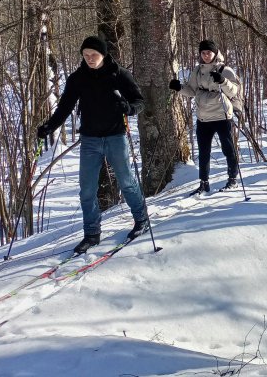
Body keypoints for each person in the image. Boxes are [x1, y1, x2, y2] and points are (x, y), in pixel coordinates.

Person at [37, 36, 149, 253]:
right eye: (86, 55)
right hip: (90, 140)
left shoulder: (120, 74)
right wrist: (50, 126)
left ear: (103, 55)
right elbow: (65, 107)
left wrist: (129, 109)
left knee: (126, 182)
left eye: (94, 55)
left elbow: (139, 101)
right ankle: (91, 233)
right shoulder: (78, 78)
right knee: (87, 190)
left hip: (116, 137)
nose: (89, 59)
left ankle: (142, 219)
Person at [170, 40, 242, 193]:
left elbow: (234, 92)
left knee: (228, 149)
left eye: (209, 52)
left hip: (222, 116)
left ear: (215, 53)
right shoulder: (197, 70)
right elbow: (192, 91)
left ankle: (233, 179)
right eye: (203, 53)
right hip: (203, 117)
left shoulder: (225, 70)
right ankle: (204, 183)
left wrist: (223, 81)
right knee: (203, 152)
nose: (206, 55)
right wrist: (179, 88)